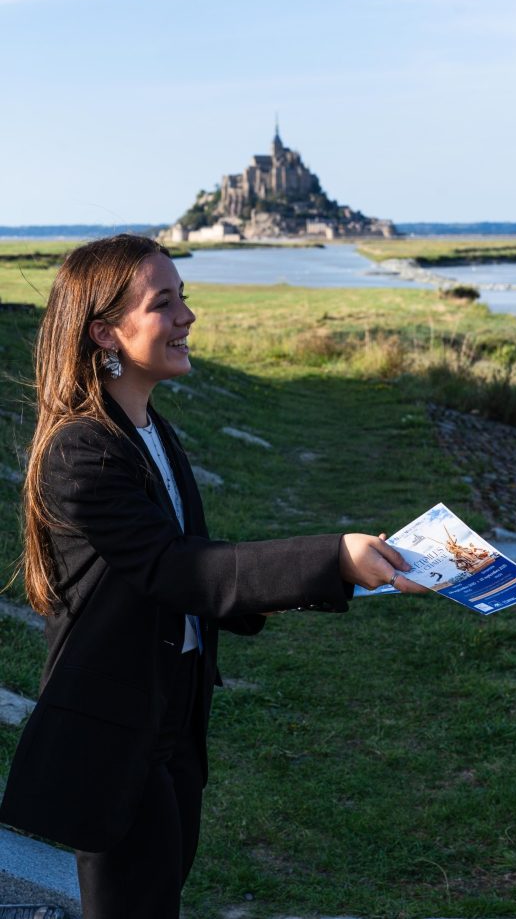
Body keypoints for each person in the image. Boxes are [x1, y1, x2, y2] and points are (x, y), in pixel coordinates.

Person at [0, 235, 423, 919]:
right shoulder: (81, 452)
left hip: (172, 721)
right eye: (164, 303)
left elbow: (185, 567)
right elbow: (180, 568)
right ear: (106, 330)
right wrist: (333, 560)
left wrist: (343, 575)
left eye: (184, 297)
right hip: (114, 737)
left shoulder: (151, 431)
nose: (187, 315)